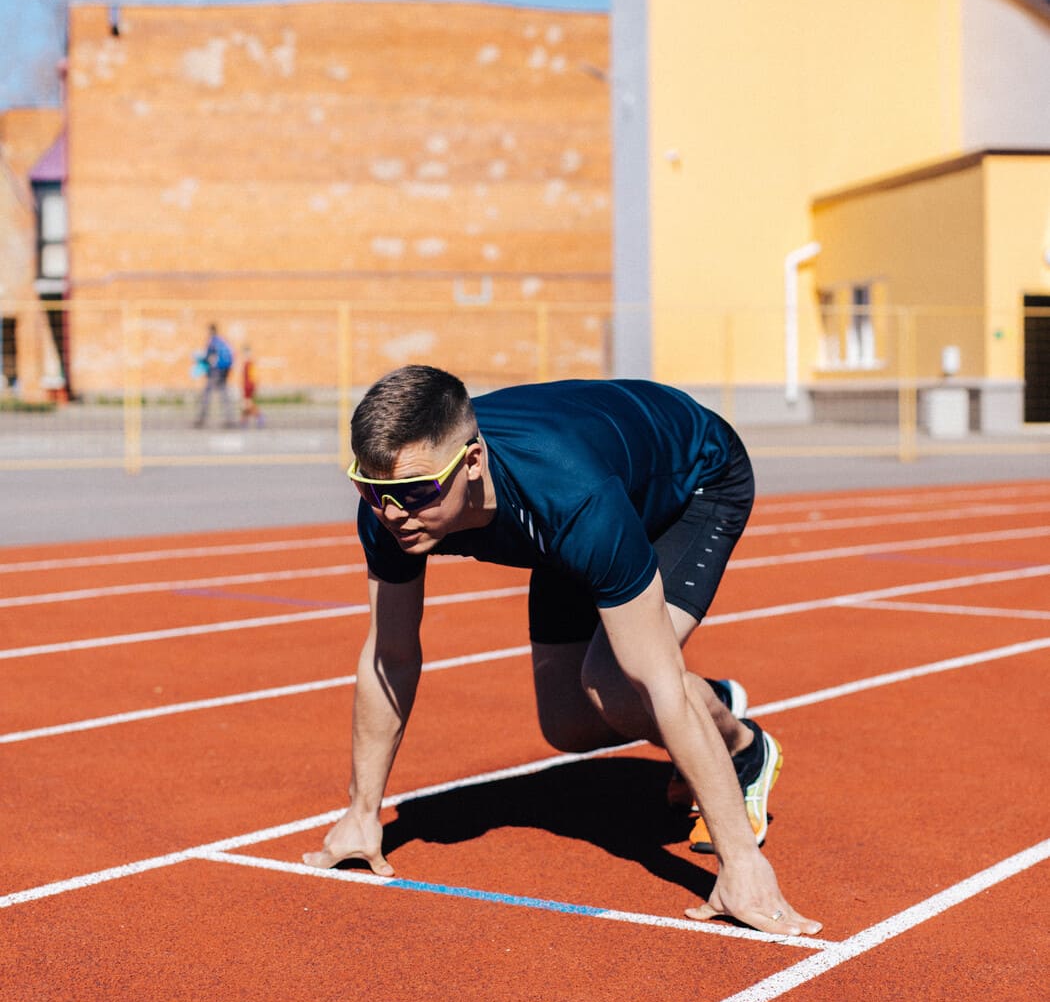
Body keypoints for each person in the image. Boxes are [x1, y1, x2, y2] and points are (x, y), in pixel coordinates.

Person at [306, 366, 821, 938]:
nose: (393, 514)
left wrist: (741, 865)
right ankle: (715, 702)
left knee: (619, 681)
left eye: (417, 492)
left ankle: (745, 749)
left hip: (693, 480)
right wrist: (362, 812)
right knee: (567, 726)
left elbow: (657, 682)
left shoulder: (573, 497)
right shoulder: (393, 505)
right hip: (581, 500)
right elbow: (392, 654)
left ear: (472, 462)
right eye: (370, 491)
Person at [192, 323, 235, 428]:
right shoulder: (222, 341)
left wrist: (199, 359)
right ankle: (228, 418)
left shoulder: (212, 342)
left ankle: (201, 418)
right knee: (224, 394)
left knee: (207, 394)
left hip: (215, 372)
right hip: (224, 371)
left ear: (210, 331)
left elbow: (209, 357)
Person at [240, 343, 263, 426]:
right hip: (246, 386)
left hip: (249, 386)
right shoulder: (246, 363)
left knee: (247, 404)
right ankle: (244, 421)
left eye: (246, 353)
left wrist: (254, 386)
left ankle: (259, 416)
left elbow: (253, 376)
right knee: (245, 404)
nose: (245, 355)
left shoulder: (250, 364)